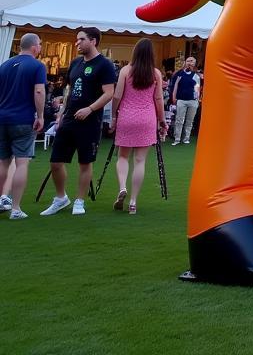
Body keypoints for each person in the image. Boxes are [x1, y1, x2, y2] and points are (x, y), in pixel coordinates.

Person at [40, 28, 117, 216]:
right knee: (56, 162)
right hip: (68, 119)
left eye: (81, 40)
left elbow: (109, 93)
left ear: (93, 41)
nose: (77, 43)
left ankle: (79, 201)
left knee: (85, 163)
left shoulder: (105, 65)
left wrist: (90, 109)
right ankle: (61, 198)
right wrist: (61, 113)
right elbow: (70, 90)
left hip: (90, 121)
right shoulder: (75, 63)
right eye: (77, 40)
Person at [111, 39, 166, 214]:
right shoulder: (155, 73)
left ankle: (122, 187)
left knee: (123, 157)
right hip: (147, 118)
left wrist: (113, 115)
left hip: (127, 117)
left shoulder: (125, 71)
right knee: (140, 161)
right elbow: (158, 99)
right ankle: (133, 201)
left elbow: (117, 95)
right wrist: (162, 120)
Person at [0, 33, 46, 220]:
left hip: (2, 118)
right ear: (34, 47)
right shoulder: (37, 66)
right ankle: (16, 208)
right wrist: (41, 116)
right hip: (23, 119)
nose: (41, 48)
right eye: (40, 44)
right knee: (21, 162)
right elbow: (39, 90)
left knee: (3, 162)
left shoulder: (4, 65)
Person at [169, 56, 201, 145]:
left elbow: (197, 88)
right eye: (188, 61)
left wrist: (197, 99)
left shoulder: (196, 75)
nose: (190, 63)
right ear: (185, 62)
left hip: (193, 101)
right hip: (181, 100)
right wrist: (174, 97)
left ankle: (186, 138)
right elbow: (174, 85)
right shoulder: (179, 74)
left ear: (194, 63)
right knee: (179, 120)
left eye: (192, 61)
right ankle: (177, 138)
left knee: (189, 121)